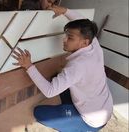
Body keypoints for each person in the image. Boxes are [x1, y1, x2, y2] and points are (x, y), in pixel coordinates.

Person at [12, 2, 113, 132]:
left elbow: (49, 92)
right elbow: (80, 21)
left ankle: (80, 126)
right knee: (58, 79)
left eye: (69, 37)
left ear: (84, 42)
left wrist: (29, 66)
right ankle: (71, 110)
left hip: (91, 121)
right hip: (103, 106)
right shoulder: (94, 45)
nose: (64, 40)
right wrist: (65, 11)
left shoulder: (77, 66)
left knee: (39, 113)